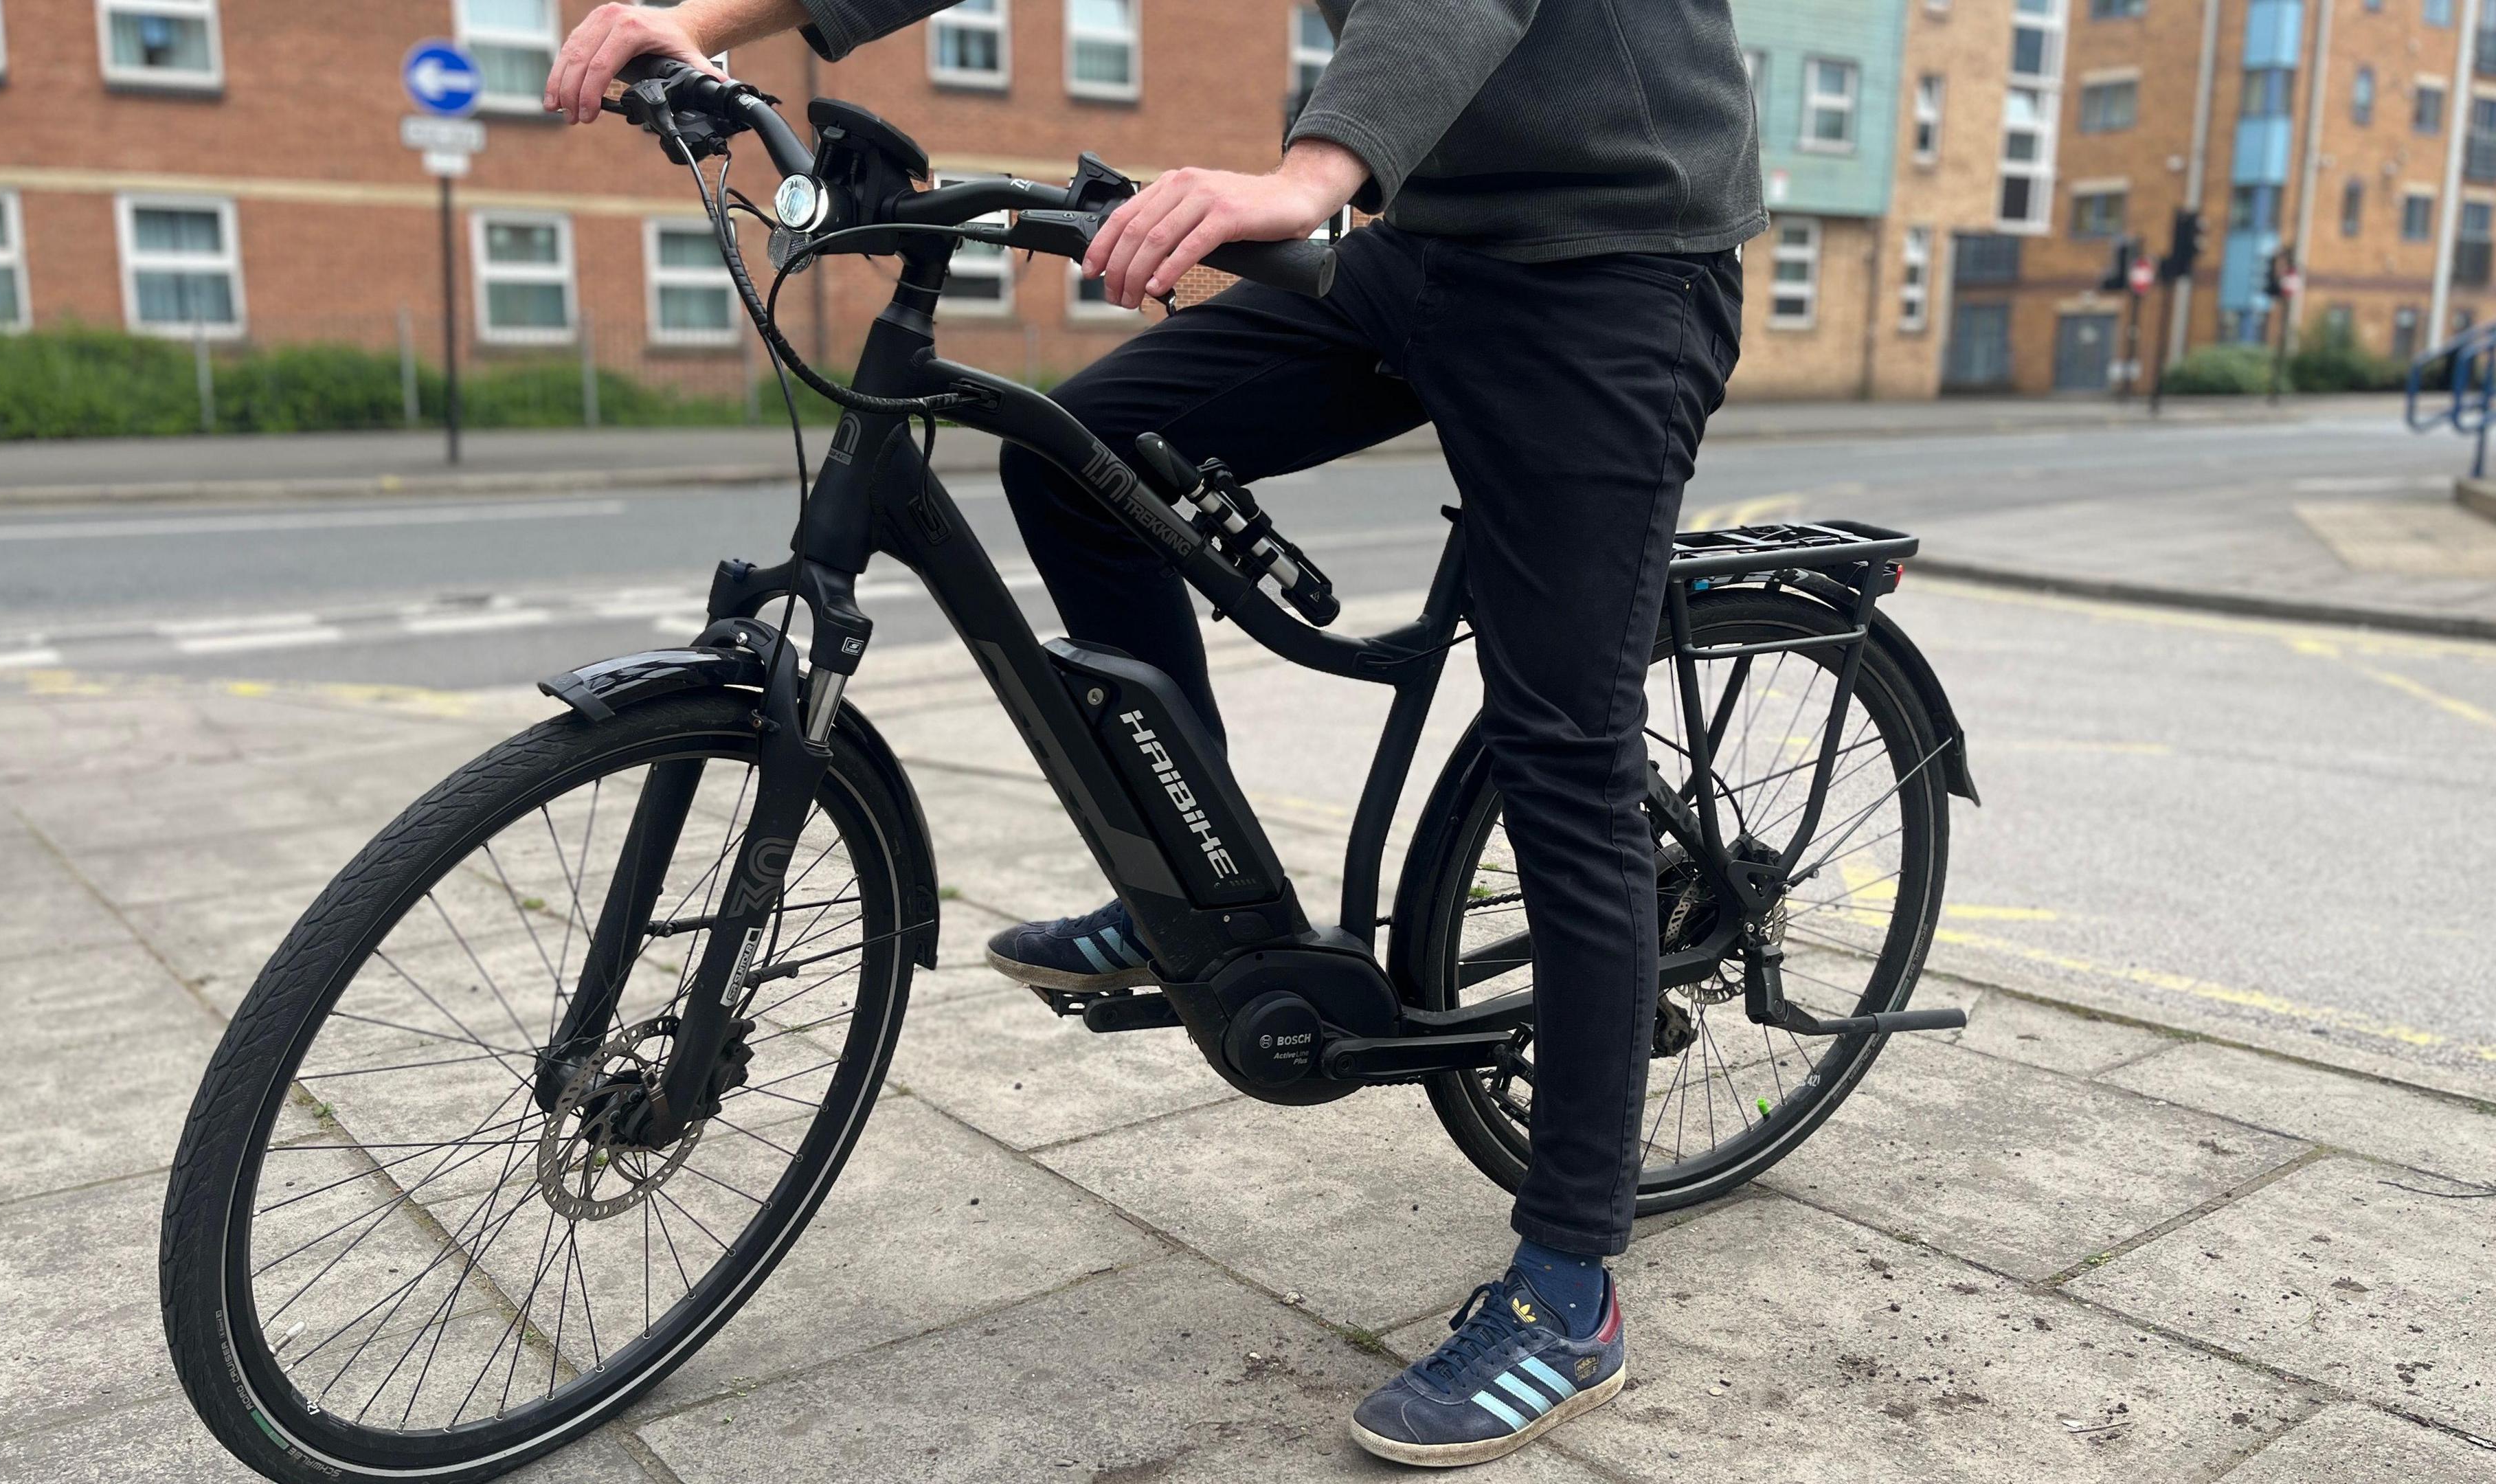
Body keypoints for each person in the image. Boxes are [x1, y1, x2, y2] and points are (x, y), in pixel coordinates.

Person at [549, 0, 1759, 1464]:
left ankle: (1570, 1290)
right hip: (1417, 254)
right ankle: (1202, 889)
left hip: (1613, 264)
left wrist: (1311, 176)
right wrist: (701, 19)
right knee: (1083, 456)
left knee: (1563, 751)